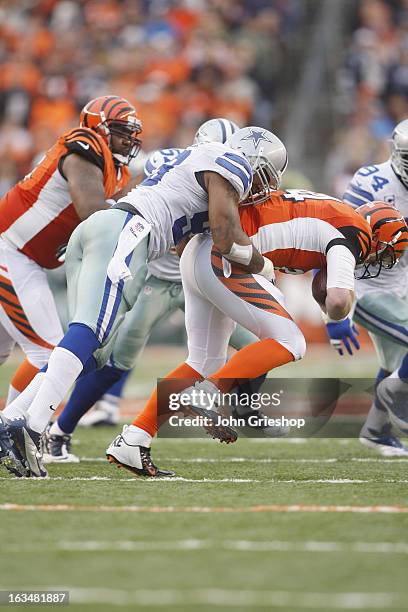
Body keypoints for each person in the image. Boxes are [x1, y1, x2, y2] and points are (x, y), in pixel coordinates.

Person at [0, 125, 286, 477]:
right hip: (128, 233)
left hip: (106, 229)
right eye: (266, 175)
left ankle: (12, 420)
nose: (262, 186)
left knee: (92, 349)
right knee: (89, 332)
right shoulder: (231, 162)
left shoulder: (193, 158)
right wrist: (265, 265)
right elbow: (226, 237)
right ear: (253, 159)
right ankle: (31, 428)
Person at [106, 185, 408, 475]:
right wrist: (339, 312)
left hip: (202, 251)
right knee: (290, 341)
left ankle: (134, 439)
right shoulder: (354, 233)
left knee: (203, 362)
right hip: (225, 254)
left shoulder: (335, 211)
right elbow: (338, 300)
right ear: (378, 237)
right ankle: (209, 394)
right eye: (385, 255)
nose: (379, 262)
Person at [0, 95, 142, 406]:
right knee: (50, 353)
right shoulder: (84, 145)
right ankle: (12, 430)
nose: (128, 139)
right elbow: (92, 209)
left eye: (132, 134)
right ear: (99, 127)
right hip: (10, 251)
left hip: (25, 258)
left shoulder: (116, 170)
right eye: (121, 130)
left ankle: (9, 428)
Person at [331, 118, 408, 456]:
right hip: (367, 286)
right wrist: (337, 311)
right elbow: (343, 238)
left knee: (393, 362)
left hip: (402, 283)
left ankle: (376, 430)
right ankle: (394, 393)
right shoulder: (372, 181)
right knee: (397, 372)